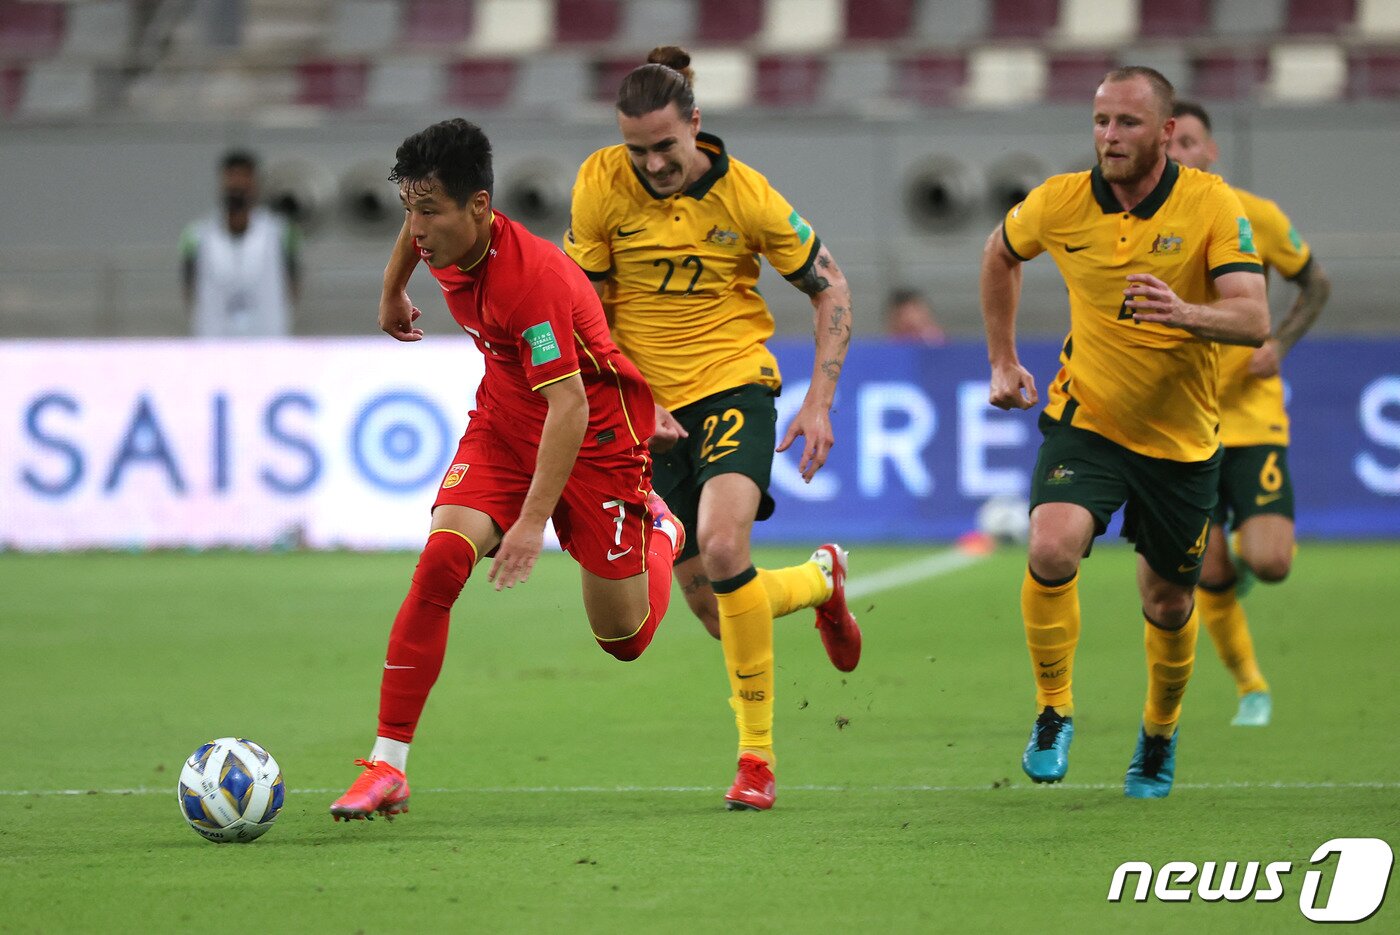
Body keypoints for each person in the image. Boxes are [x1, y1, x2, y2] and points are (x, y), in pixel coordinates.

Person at [330, 119, 685, 821]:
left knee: (626, 640)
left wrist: (528, 524)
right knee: (439, 566)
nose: (417, 226)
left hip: (595, 445)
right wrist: (390, 293)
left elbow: (570, 407)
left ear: (481, 207)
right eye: (410, 207)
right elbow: (413, 235)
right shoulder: (439, 235)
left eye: (429, 209)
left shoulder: (531, 284)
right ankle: (387, 765)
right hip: (501, 424)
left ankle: (663, 529)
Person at [563, 46, 861, 812]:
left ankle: (755, 761)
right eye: (639, 149)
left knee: (726, 547)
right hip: (645, 411)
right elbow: (586, 312)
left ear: (695, 124)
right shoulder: (599, 184)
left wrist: (818, 402)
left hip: (733, 385)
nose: (653, 163)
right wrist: (629, 395)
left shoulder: (749, 198)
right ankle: (821, 581)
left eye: (665, 146)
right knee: (713, 610)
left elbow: (831, 290)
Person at [980, 67, 1269, 798]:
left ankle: (1159, 732)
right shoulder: (1061, 201)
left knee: (1168, 602)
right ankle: (1053, 711)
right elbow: (1000, 254)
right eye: (1101, 120)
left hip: (1180, 440)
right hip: (1090, 419)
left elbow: (1253, 317)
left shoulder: (1210, 204)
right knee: (1049, 542)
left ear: (1167, 133)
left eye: (1128, 123)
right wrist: (1004, 358)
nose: (1109, 136)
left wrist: (1186, 313)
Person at [1167, 101, 1331, 728]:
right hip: (1184, 424)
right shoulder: (1142, 225)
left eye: (1190, 142)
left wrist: (1279, 343)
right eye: (1171, 142)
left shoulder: (1254, 216)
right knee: (1204, 569)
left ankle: (1244, 564)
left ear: (1210, 151)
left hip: (1253, 417)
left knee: (1270, 563)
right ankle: (1250, 686)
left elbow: (1316, 283)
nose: (1179, 152)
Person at [181, 150, 301, 337]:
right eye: (232, 177)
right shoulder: (196, 234)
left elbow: (293, 283)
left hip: (266, 337)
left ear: (255, 184)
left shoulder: (281, 232)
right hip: (215, 338)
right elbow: (189, 287)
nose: (237, 184)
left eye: (244, 177)